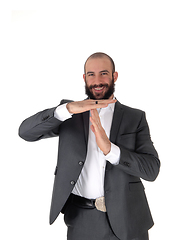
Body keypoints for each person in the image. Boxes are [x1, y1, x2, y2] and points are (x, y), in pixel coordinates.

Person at [19, 52, 160, 240]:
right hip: (82, 221)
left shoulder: (135, 117)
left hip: (129, 221)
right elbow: (26, 132)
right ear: (84, 78)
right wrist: (66, 110)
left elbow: (151, 170)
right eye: (91, 75)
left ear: (114, 76)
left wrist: (110, 150)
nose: (97, 80)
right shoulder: (69, 114)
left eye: (103, 73)